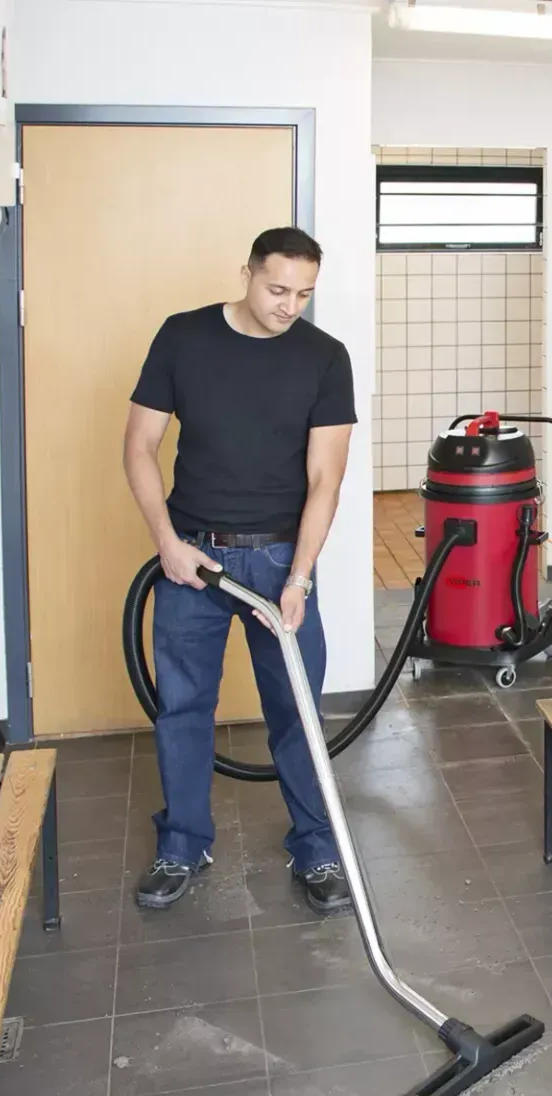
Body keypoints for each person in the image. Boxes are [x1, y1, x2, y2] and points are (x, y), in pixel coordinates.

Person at [122, 226, 356, 915]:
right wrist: (166, 540)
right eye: (277, 289)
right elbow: (139, 446)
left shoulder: (324, 358)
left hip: (278, 557)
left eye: (304, 294)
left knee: (296, 712)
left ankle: (316, 850)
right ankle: (183, 843)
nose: (290, 306)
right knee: (183, 706)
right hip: (192, 554)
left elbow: (326, 480)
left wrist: (300, 577)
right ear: (247, 273)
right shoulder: (183, 337)